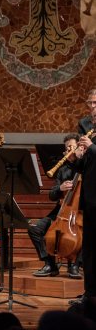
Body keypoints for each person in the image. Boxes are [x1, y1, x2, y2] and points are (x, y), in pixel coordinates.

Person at [28, 133, 82, 279]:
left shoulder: (87, 166)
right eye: (66, 148)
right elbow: (52, 195)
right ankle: (50, 264)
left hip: (81, 212)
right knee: (35, 229)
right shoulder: (62, 170)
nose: (69, 150)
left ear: (80, 148)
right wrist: (60, 188)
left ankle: (75, 265)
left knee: (90, 230)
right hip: (61, 212)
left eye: (72, 146)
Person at [71, 89, 96, 303]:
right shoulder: (85, 126)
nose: (93, 108)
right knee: (88, 248)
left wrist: (93, 148)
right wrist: (76, 158)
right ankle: (90, 293)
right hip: (90, 194)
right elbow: (83, 166)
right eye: (91, 103)